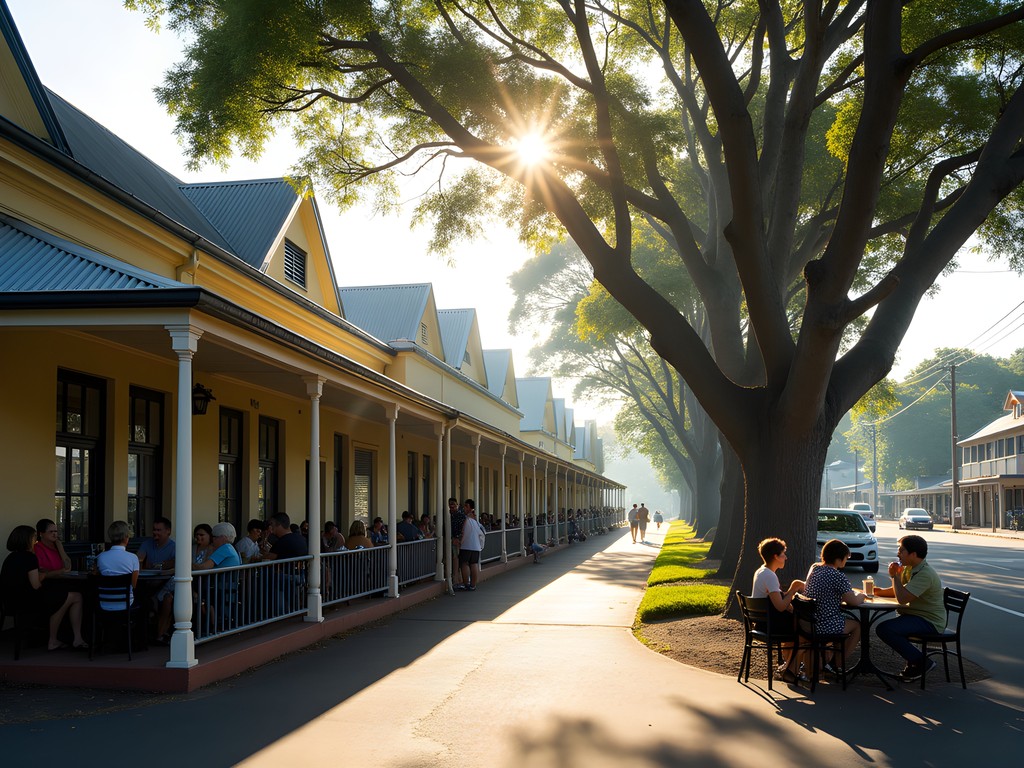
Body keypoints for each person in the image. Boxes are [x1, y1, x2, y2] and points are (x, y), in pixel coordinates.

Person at [1, 525, 87, 650]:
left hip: (10, 603)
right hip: (27, 603)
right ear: (27, 540)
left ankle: (57, 638)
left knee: (60, 597)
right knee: (74, 597)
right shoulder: (29, 558)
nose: (35, 541)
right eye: (33, 538)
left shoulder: (10, 558)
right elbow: (36, 585)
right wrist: (42, 576)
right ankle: (59, 640)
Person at [873, 534, 945, 681]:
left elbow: (903, 597)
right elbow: (901, 590)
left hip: (929, 621)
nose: (898, 554)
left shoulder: (925, 574)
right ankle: (914, 664)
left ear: (913, 554)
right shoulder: (909, 568)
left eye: (901, 550)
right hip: (914, 616)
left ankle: (922, 662)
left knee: (885, 629)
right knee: (889, 627)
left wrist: (894, 577)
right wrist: (876, 591)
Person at [803, 539, 866, 673]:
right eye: (845, 558)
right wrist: (863, 595)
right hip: (824, 623)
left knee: (841, 620)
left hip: (809, 621)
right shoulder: (837, 575)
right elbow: (853, 601)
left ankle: (832, 663)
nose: (846, 561)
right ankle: (836, 664)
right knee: (857, 626)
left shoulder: (815, 568)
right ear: (839, 559)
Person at [751, 538, 805, 680]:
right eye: (783, 554)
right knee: (804, 633)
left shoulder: (761, 571)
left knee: (796, 627)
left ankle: (788, 667)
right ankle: (791, 669)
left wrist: (790, 590)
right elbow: (781, 606)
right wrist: (793, 590)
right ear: (776, 556)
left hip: (762, 621)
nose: (785, 557)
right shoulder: (769, 576)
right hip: (769, 625)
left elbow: (778, 599)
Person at [97, 520, 141, 611]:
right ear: (126, 537)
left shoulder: (101, 557)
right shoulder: (133, 558)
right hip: (127, 603)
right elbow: (134, 584)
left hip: (104, 603)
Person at [456, 499, 484, 591]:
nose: (464, 508)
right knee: (474, 563)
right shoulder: (476, 520)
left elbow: (463, 532)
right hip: (476, 545)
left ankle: (466, 583)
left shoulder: (466, 518)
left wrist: (461, 541)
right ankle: (473, 585)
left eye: (466, 506)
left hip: (467, 545)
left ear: (470, 507)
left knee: (464, 563)